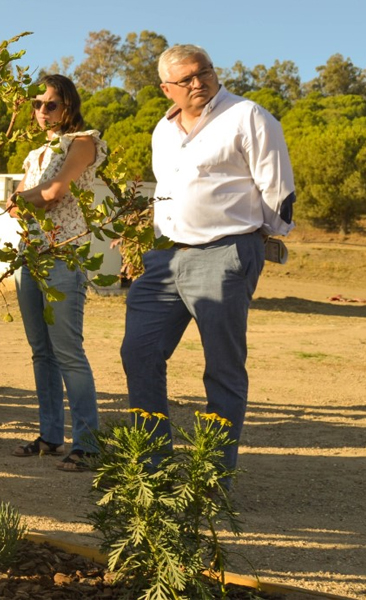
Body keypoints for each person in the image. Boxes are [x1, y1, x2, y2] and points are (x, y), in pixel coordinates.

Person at [121, 44, 294, 474]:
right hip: (164, 257)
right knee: (138, 353)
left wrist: (255, 242)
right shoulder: (163, 131)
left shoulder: (247, 116)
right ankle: (153, 470)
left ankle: (210, 480)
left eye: (205, 73)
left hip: (225, 253)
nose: (199, 83)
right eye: (186, 80)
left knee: (221, 368)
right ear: (166, 89)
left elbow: (279, 189)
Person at [5, 74, 107, 472]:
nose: (42, 111)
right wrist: (28, 199)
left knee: (68, 352)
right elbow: (24, 204)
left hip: (63, 256)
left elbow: (54, 193)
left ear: (69, 106)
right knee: (41, 352)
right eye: (37, 104)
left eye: (51, 104)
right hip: (28, 256)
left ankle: (88, 444)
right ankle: (50, 435)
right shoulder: (35, 153)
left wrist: (24, 198)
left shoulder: (83, 141)